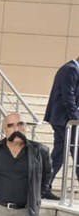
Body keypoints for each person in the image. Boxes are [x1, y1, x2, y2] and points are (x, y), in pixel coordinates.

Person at [44, 55, 79, 197]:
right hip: (64, 120)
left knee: (59, 154)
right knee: (75, 151)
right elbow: (68, 96)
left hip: (64, 120)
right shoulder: (70, 69)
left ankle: (44, 186)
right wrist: (75, 118)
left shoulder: (73, 70)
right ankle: (44, 186)